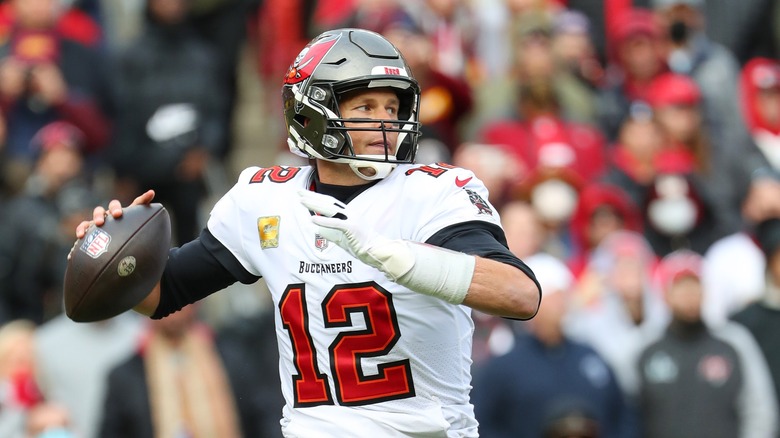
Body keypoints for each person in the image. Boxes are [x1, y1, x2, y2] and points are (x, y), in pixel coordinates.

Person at [74, 28, 542, 437]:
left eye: (393, 105)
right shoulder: (266, 199)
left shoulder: (434, 193)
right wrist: (111, 255)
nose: (386, 121)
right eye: (365, 105)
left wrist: (396, 257)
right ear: (310, 114)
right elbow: (163, 294)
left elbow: (520, 295)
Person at [471, 253, 639, 438]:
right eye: (553, 298)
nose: (559, 306)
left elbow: (622, 416)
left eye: (562, 297)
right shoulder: (504, 366)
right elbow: (483, 423)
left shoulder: (591, 357)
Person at [636, 249, 778, 438]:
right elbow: (628, 413)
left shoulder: (734, 340)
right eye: (680, 287)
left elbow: (759, 409)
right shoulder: (644, 346)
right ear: (665, 294)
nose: (689, 294)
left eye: (695, 285)